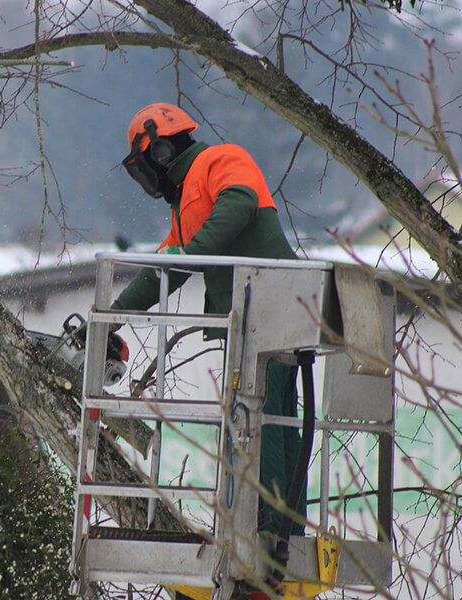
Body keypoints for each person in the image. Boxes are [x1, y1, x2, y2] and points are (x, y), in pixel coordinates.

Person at [111, 103, 306, 540]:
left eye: (145, 165)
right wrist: (113, 316)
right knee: (265, 423)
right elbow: (165, 270)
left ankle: (271, 533)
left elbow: (239, 205)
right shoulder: (188, 201)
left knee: (265, 426)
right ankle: (277, 527)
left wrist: (191, 252)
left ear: (158, 151)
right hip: (251, 324)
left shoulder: (221, 160)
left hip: (272, 314)